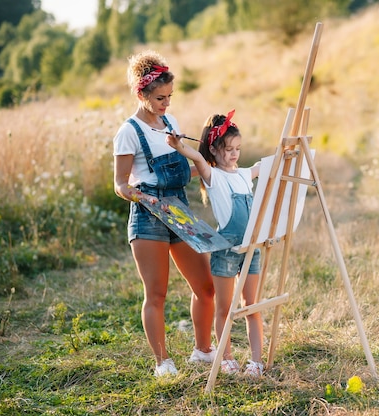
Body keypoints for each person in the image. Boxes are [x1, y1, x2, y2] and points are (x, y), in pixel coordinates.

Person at [112, 50, 216, 377]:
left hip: (179, 208)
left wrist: (207, 164)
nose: (165, 104)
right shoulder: (128, 132)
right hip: (148, 215)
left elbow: (181, 169)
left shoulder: (171, 123)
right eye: (159, 98)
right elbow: (119, 185)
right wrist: (139, 195)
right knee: (156, 294)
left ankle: (202, 351)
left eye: (169, 97)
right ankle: (163, 363)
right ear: (140, 93)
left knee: (207, 286)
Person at [165, 109, 265, 377]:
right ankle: (226, 357)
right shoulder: (212, 175)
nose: (234, 154)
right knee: (224, 308)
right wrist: (178, 145)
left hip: (251, 250)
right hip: (226, 251)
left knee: (251, 304)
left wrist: (289, 152)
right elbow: (197, 156)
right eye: (228, 149)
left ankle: (257, 360)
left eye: (238, 148)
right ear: (214, 149)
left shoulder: (245, 174)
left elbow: (264, 166)